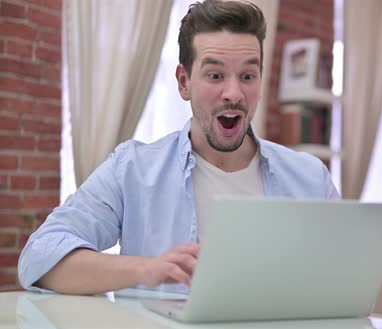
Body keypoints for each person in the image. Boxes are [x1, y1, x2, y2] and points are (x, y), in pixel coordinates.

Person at [18, 0, 339, 295]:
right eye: (215, 75)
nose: (234, 93)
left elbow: (343, 282)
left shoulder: (310, 178)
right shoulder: (132, 168)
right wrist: (149, 268)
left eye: (248, 76)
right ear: (183, 82)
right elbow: (39, 258)